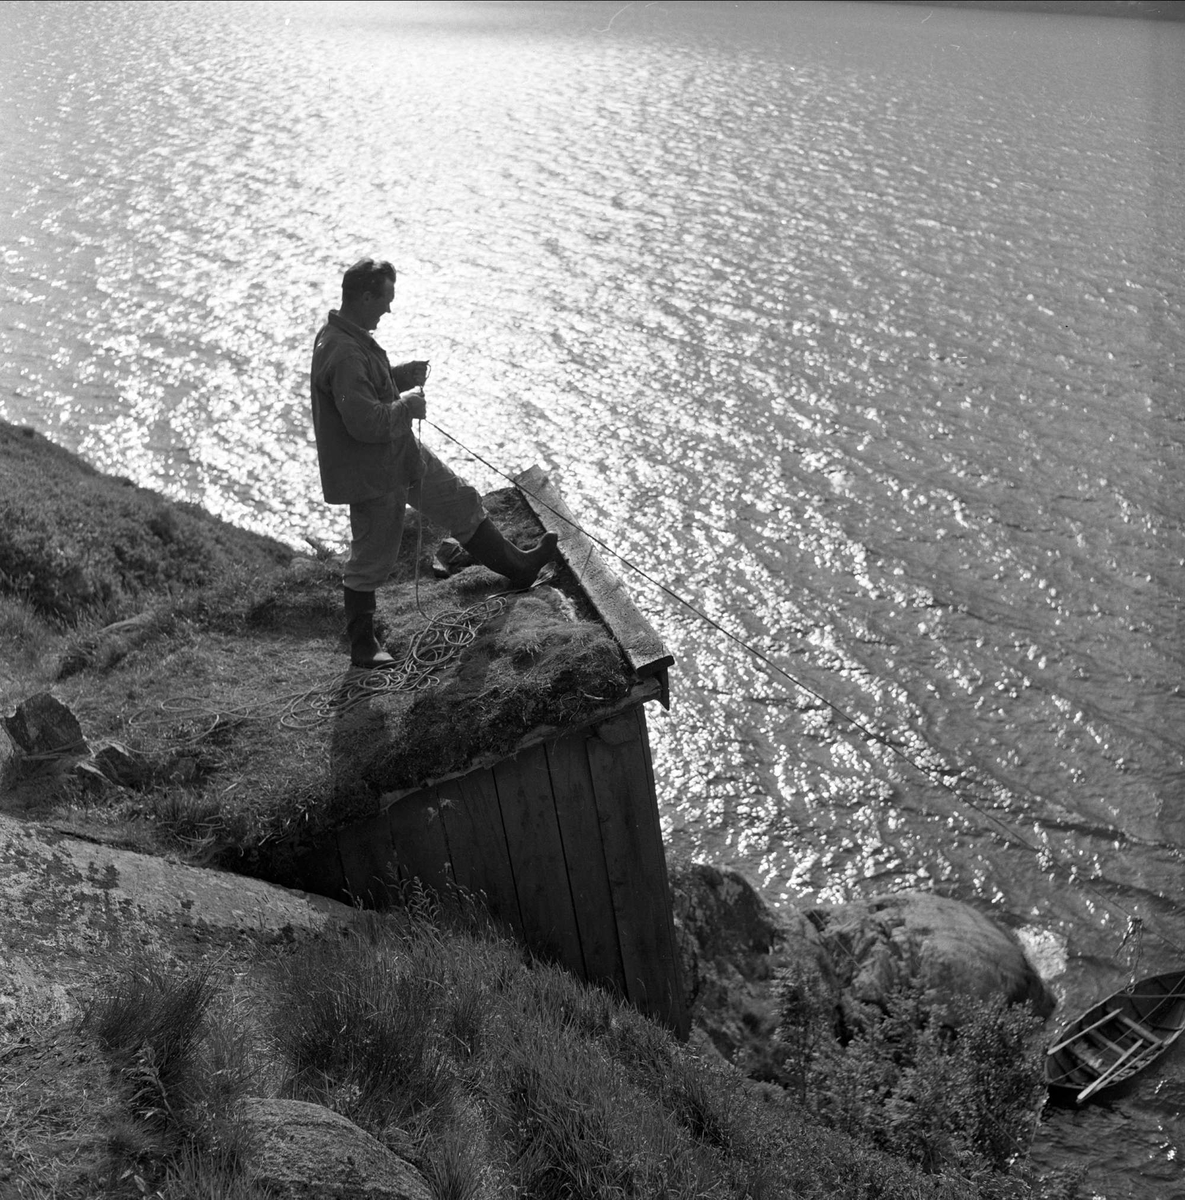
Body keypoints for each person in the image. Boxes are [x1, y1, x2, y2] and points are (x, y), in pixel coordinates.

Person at [310, 257, 557, 668]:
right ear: (365, 296)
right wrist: (406, 405)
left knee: (459, 500)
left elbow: (368, 389)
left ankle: (520, 567)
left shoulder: (348, 336)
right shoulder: (343, 349)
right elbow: (365, 422)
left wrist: (400, 376)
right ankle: (363, 645)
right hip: (372, 473)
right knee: (371, 558)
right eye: (385, 299)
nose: (389, 309)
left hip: (396, 454)